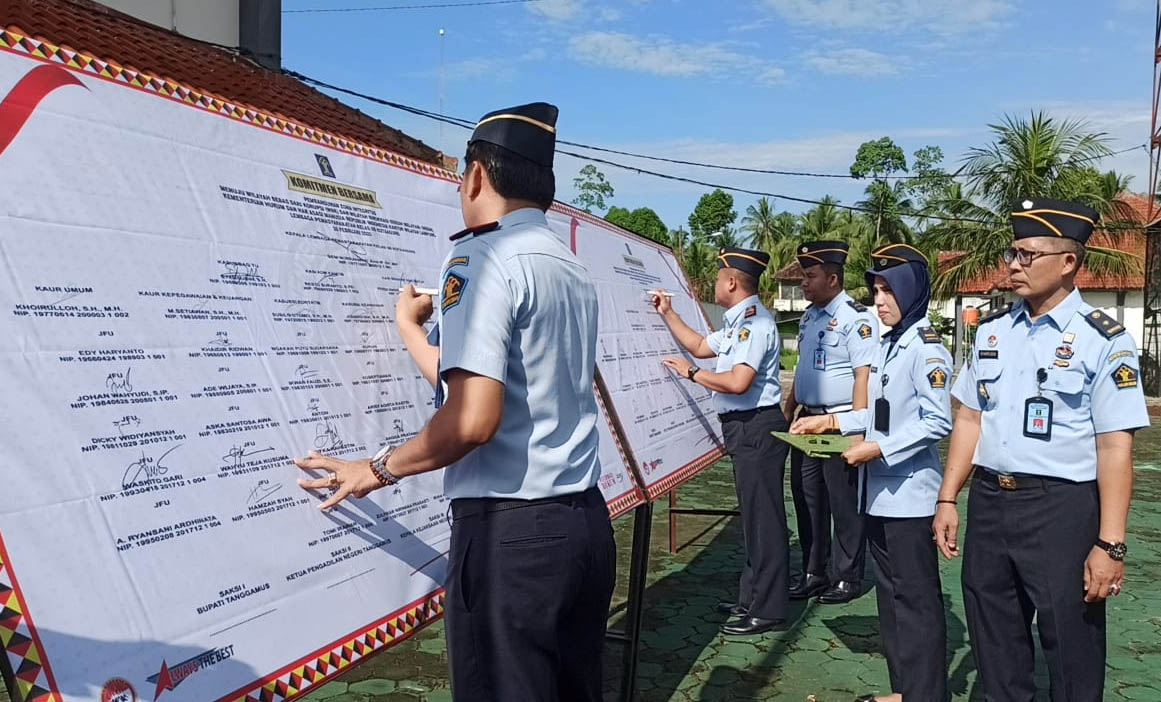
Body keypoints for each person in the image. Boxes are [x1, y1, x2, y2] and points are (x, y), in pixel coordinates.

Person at [294, 102, 616, 702]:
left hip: (512, 537)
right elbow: (484, 381)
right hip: (581, 526)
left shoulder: (478, 257)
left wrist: (377, 468)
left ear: (475, 176)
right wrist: (414, 332)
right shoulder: (569, 266)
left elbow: (472, 418)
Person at [932, 198, 1151, 701]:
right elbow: (969, 417)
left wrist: (1109, 545)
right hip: (990, 505)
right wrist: (949, 498)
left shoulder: (1103, 341)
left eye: (1027, 255)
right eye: (1012, 252)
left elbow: (1115, 445)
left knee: (1071, 650)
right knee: (996, 648)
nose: (1012, 264)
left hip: (1061, 510)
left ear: (1068, 262)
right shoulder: (991, 332)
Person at [792, 244, 952, 702]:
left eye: (887, 290)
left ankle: (925, 694)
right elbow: (876, 413)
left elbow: (937, 421)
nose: (879, 299)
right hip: (878, 493)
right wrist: (833, 421)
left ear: (911, 291)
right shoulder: (889, 342)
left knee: (915, 603)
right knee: (891, 601)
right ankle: (905, 690)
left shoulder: (927, 350)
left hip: (910, 496)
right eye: (875, 289)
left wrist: (877, 448)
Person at [654, 248, 790, 635]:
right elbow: (699, 345)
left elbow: (737, 382)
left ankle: (768, 609)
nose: (714, 283)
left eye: (718, 277)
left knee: (764, 521)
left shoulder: (754, 325)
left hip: (756, 427)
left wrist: (693, 375)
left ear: (731, 282)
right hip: (745, 428)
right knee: (754, 518)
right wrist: (667, 313)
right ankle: (751, 597)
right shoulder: (737, 324)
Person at [783, 240, 879, 604]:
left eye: (811, 276)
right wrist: (790, 407)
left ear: (834, 279)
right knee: (807, 500)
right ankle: (814, 571)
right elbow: (803, 368)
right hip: (807, 420)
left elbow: (863, 377)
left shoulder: (857, 319)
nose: (804, 283)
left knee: (843, 503)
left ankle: (847, 576)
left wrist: (854, 430)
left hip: (839, 423)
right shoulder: (808, 317)